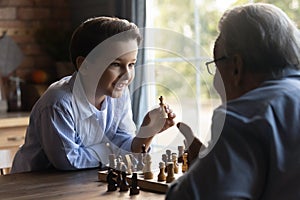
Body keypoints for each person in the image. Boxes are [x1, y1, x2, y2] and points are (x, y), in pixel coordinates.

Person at [166, 3, 300, 200]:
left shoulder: (245, 116)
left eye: (216, 65)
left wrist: (201, 168)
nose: (214, 81)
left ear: (236, 67)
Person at [11, 16, 176, 173]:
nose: (127, 75)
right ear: (85, 65)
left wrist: (146, 133)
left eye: (131, 64)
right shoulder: (58, 103)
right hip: (32, 187)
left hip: (78, 182)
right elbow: (68, 160)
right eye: (116, 64)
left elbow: (124, 143)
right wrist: (114, 152)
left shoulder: (118, 93)